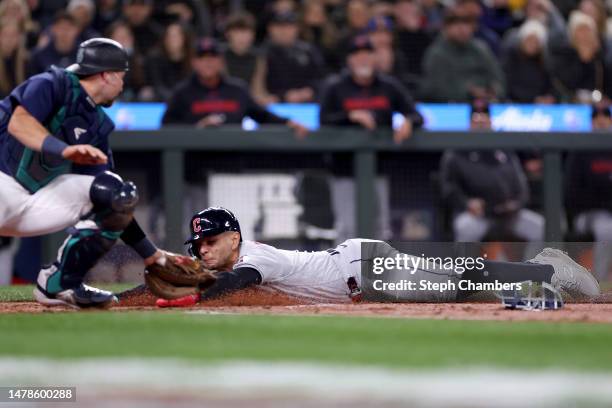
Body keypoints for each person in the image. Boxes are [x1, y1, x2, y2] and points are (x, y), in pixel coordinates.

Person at [155, 206, 600, 307]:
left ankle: (549, 270)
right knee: (457, 279)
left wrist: (190, 295)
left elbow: (234, 284)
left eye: (211, 241)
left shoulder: (254, 257)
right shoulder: (239, 261)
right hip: (358, 267)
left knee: (457, 284)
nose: (204, 249)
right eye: (199, 246)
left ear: (234, 237)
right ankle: (544, 272)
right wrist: (125, 299)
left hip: (363, 271)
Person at [0, 38, 164, 308]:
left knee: (116, 193)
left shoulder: (98, 124)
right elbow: (20, 124)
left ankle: (59, 284)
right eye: (122, 76)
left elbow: (114, 203)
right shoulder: (51, 84)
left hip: (32, 203)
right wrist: (63, 150)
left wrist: (149, 253)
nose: (123, 84)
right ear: (107, 75)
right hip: (3, 183)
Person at [439, 100, 545, 242]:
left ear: (491, 122)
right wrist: (466, 203)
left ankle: (532, 265)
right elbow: (448, 188)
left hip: (509, 215)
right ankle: (466, 265)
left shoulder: (504, 150)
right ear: (470, 124)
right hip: (477, 216)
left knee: (541, 227)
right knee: (465, 228)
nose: (481, 123)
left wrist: (516, 204)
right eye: (477, 120)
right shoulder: (457, 153)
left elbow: (521, 187)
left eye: (485, 119)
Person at [162, 37, 307, 137]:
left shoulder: (237, 90)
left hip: (233, 160)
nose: (208, 62)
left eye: (213, 57)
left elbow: (262, 116)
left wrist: (289, 123)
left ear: (221, 62)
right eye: (202, 57)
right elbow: (166, 126)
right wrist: (196, 129)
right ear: (194, 62)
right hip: (193, 159)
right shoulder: (182, 92)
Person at [319, 36, 423, 144]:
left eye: (367, 55)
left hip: (383, 150)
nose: (363, 59)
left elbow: (417, 116)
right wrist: (350, 116)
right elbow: (323, 120)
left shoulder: (389, 86)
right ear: (349, 60)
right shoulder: (335, 87)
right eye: (357, 56)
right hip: (343, 152)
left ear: (375, 58)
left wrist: (408, 122)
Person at [420, 10, 505, 102]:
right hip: (451, 106)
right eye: (457, 25)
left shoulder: (481, 49)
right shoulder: (437, 53)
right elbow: (437, 89)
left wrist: (494, 91)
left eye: (467, 24)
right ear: (446, 28)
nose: (463, 29)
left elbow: (497, 77)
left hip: (487, 103)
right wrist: (469, 93)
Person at [27, 12, 80, 77]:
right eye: (61, 28)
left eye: (68, 29)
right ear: (53, 29)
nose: (64, 33)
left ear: (76, 30)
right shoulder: (39, 56)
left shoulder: (83, 56)